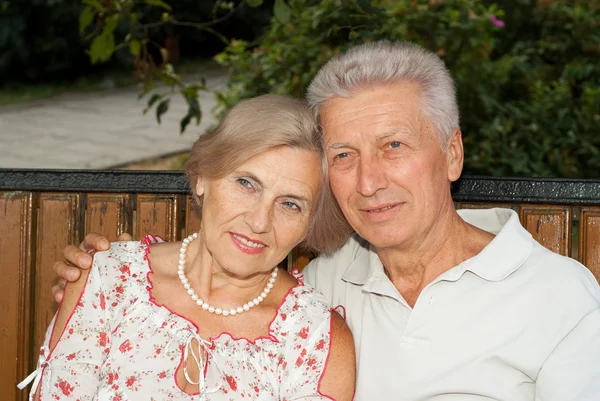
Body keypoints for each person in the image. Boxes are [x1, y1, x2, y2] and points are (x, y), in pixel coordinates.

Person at [53, 41, 600, 400]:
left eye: (393, 145)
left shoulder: (559, 295)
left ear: (452, 154)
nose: (368, 181)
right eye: (343, 155)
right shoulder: (325, 280)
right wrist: (114, 274)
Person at [20, 94, 355, 401]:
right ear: (203, 177)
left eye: (290, 204)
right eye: (245, 183)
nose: (259, 222)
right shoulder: (110, 279)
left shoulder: (313, 337)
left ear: (311, 223)